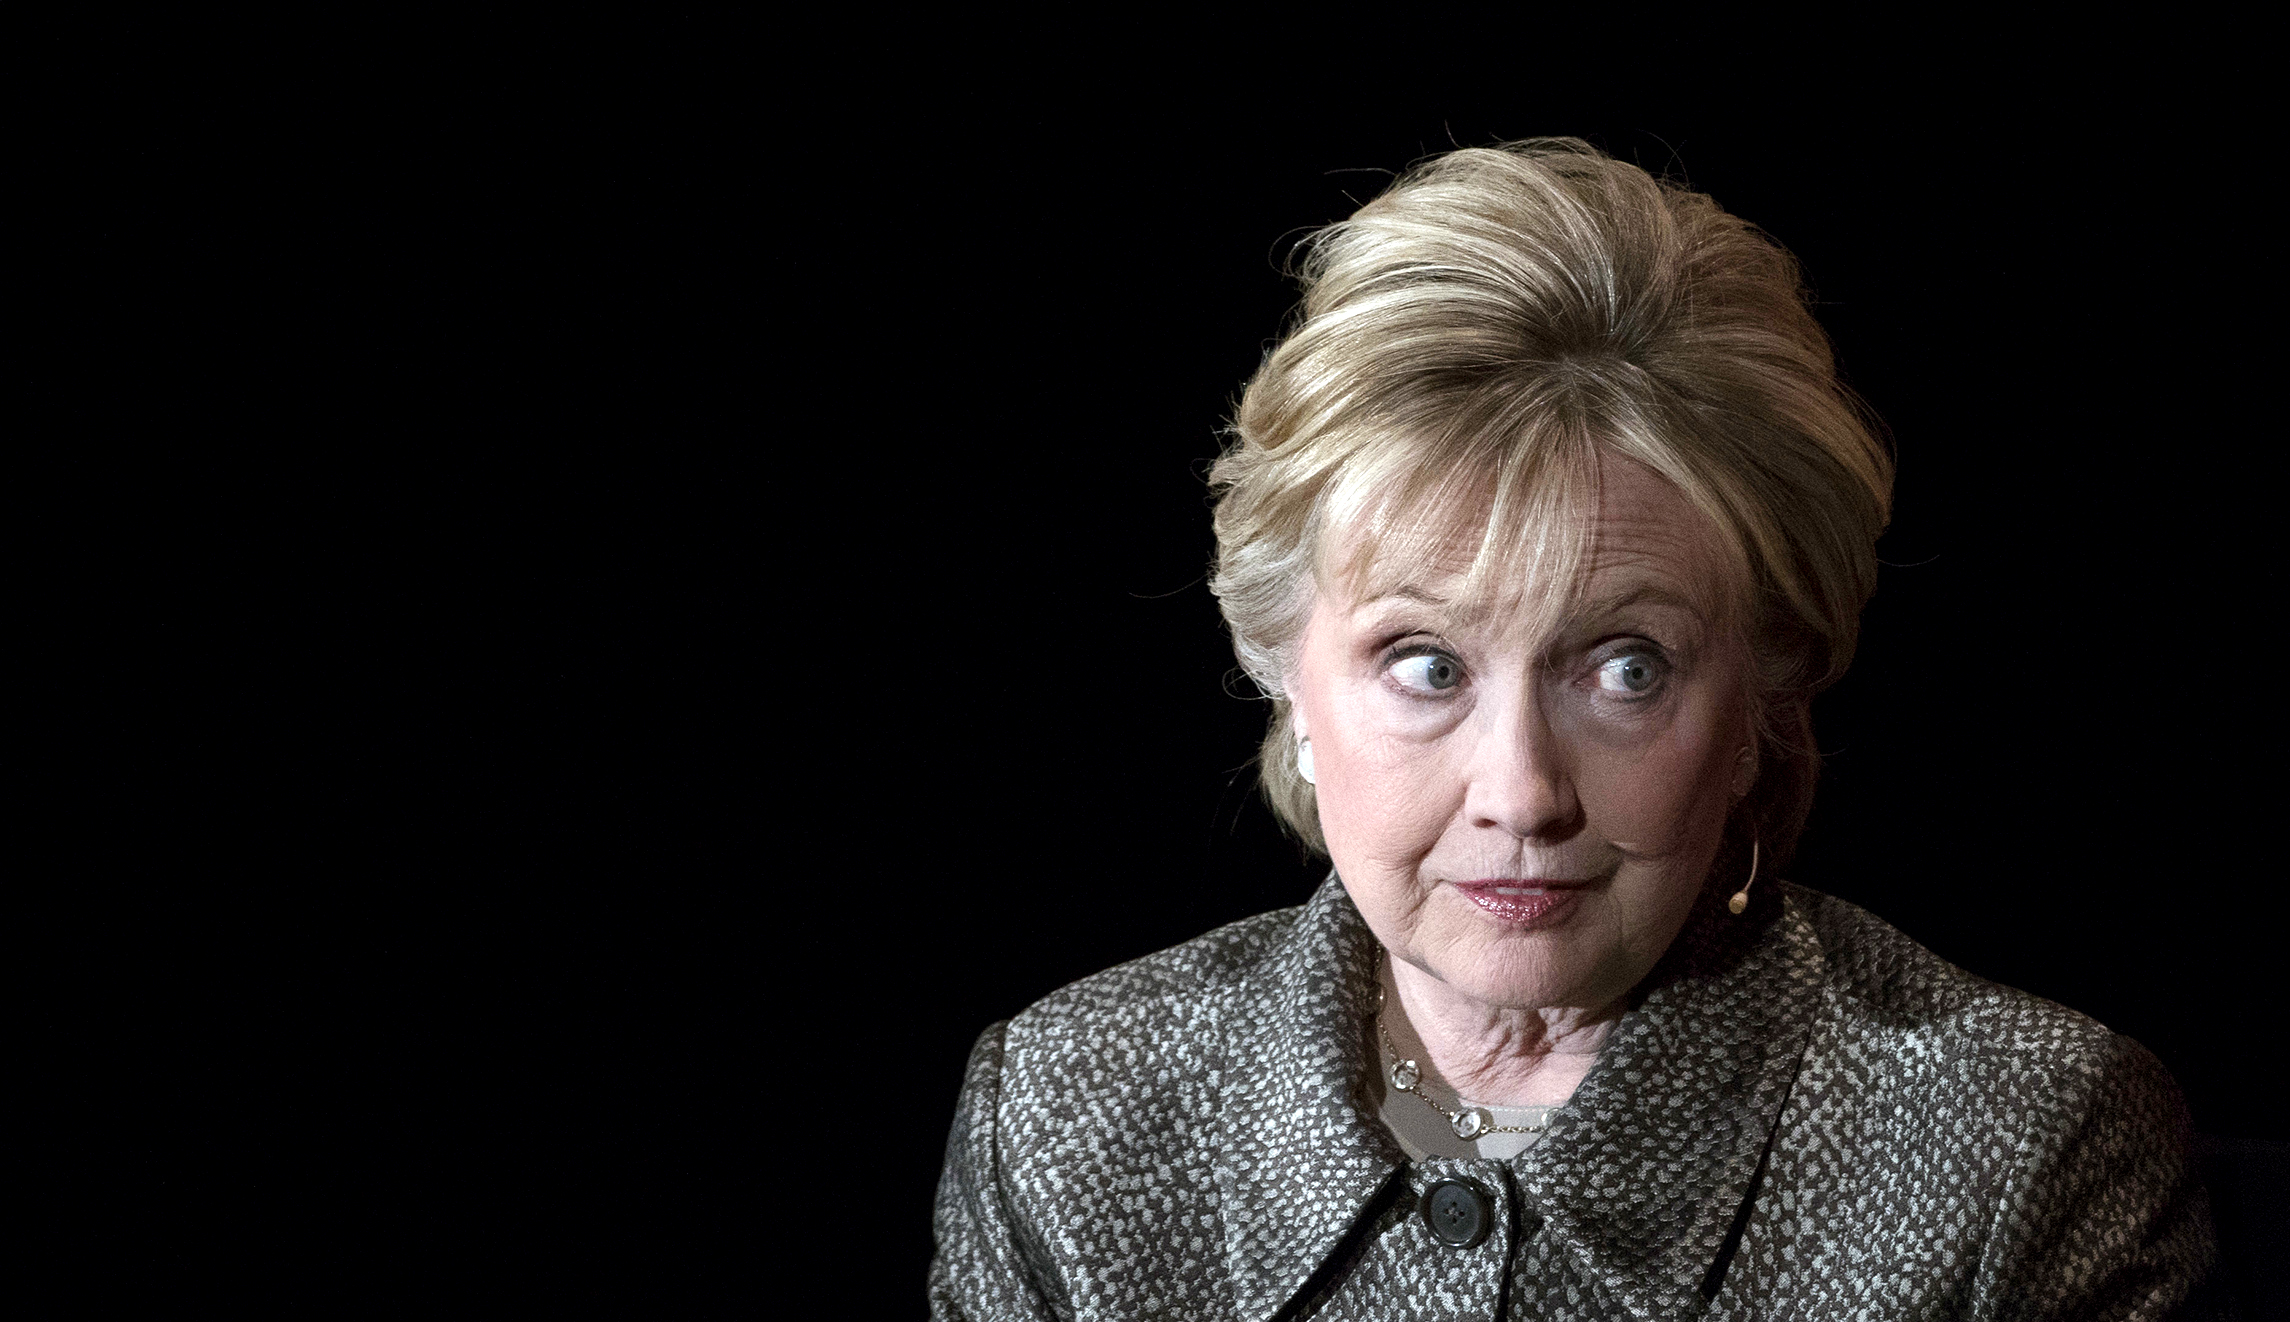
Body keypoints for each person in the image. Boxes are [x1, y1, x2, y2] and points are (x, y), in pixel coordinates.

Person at [929, 138, 2225, 1319]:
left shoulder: (2026, 1141)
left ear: (1757, 708)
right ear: (1286, 678)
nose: (1523, 791)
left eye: (1625, 668)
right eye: (1425, 663)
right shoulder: (1058, 1114)